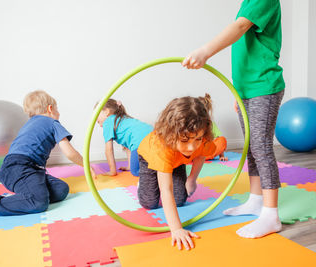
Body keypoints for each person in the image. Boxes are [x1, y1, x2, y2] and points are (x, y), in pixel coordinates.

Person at [182, 0, 285, 239]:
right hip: (246, 89)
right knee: (251, 147)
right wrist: (238, 92)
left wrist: (205, 51)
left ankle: (271, 215)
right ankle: (256, 200)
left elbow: (239, 28)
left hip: (263, 86)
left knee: (261, 146)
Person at [0, 90, 97, 216]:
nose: (58, 114)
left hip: (17, 169)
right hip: (20, 167)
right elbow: (70, 153)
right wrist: (86, 166)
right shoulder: (52, 123)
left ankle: (18, 198)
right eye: (57, 110)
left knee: (61, 190)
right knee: (38, 202)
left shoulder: (29, 124)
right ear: (50, 109)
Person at [137, 96, 216, 250]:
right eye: (185, 140)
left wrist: (192, 179)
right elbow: (166, 190)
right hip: (150, 158)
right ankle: (142, 183)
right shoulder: (162, 147)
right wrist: (176, 229)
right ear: (171, 134)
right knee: (149, 203)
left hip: (177, 161)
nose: (192, 147)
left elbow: (200, 155)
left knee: (180, 200)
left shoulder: (203, 140)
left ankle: (175, 173)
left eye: (197, 139)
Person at [96, 99, 153, 177]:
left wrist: (112, 171)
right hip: (154, 134)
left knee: (135, 171)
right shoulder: (122, 118)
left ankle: (159, 172)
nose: (98, 123)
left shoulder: (107, 122)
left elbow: (108, 150)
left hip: (141, 141)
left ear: (106, 112)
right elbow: (128, 147)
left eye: (97, 120)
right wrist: (130, 166)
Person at [198, 93, 228, 161]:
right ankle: (196, 158)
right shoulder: (192, 123)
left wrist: (221, 156)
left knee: (222, 140)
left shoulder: (211, 124)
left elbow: (218, 139)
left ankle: (202, 158)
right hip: (196, 151)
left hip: (206, 151)